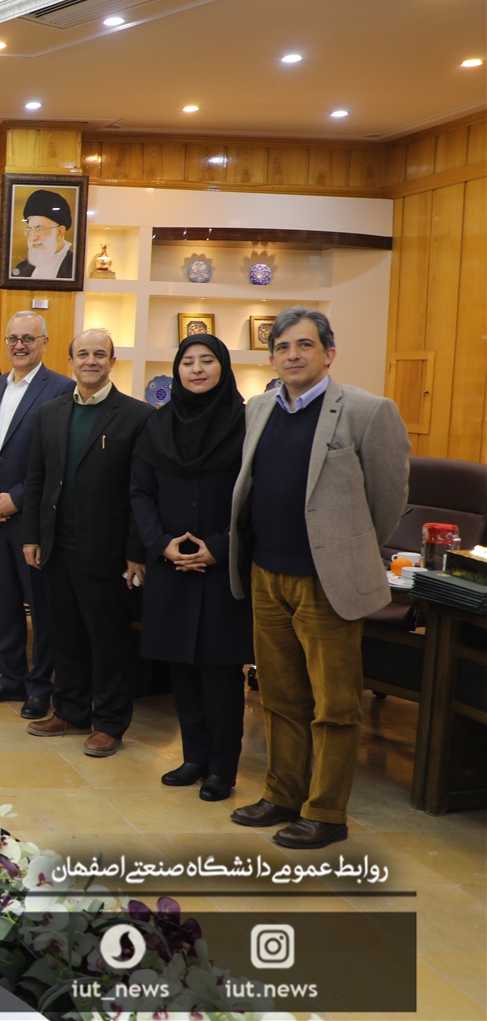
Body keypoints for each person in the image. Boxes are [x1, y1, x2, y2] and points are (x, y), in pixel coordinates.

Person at [228, 307, 408, 849]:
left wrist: (346, 551)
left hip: (326, 581)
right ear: (271, 358)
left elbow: (387, 501)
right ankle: (282, 794)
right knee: (279, 695)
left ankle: (326, 812)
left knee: (334, 704)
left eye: (304, 345)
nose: (293, 355)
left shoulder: (367, 411)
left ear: (328, 354)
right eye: (283, 347)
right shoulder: (259, 407)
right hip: (266, 573)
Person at [130, 334, 252, 802]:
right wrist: (161, 544)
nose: (196, 369)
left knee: (220, 672)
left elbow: (255, 495)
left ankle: (223, 768)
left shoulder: (246, 423)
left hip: (223, 568)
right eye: (187, 362)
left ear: (223, 367)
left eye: (207, 361)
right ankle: (193, 757)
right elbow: (140, 491)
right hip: (171, 565)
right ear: (176, 370)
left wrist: (220, 547)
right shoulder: (157, 424)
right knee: (179, 666)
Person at [21, 328, 151, 757]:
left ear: (112, 362)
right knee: (65, 636)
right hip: (57, 548)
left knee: (108, 642)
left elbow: (141, 491)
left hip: (108, 552)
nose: (90, 361)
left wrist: (135, 551)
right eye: (83, 354)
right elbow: (37, 479)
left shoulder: (136, 416)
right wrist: (32, 536)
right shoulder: (51, 412)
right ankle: (71, 711)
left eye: (99, 354)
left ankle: (109, 723)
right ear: (70, 361)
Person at [0, 312, 72, 718]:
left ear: (45, 342)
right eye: (13, 338)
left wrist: (15, 498)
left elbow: (56, 459)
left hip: (32, 519)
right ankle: (10, 676)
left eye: (28, 338)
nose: (19, 345)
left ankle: (40, 685)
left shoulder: (60, 388)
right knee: (4, 602)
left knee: (40, 607)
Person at [10, 190, 75, 279]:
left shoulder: (74, 267)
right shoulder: (22, 267)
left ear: (60, 231)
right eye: (30, 230)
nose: (33, 237)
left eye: (39, 229)